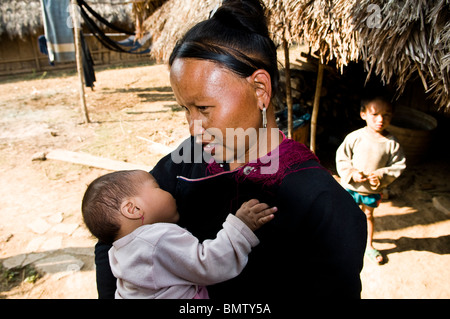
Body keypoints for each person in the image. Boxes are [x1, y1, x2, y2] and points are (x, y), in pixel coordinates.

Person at [94, 0, 367, 299]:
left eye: (203, 108)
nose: (193, 128)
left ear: (260, 90)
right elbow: (114, 235)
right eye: (186, 109)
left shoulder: (323, 205)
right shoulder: (187, 161)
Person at [82, 169, 276, 299]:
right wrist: (240, 227)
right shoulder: (156, 240)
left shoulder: (119, 252)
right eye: (157, 187)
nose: (167, 190)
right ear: (133, 209)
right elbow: (208, 264)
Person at [336, 96, 406, 264]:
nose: (380, 119)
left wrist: (381, 175)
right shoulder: (355, 137)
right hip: (351, 188)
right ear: (363, 114)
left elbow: (398, 165)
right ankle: (343, 243)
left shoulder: (391, 143)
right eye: (375, 114)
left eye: (386, 115)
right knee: (347, 215)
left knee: (368, 216)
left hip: (371, 191)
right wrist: (352, 173)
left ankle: (368, 246)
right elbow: (342, 158)